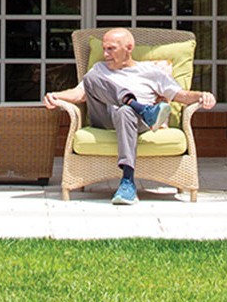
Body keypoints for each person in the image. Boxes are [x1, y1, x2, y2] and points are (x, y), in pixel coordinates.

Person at [43, 27, 216, 205]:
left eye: (111, 49)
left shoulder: (151, 72)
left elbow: (181, 95)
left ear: (129, 47)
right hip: (105, 118)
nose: (105, 53)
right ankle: (142, 108)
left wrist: (202, 95)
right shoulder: (99, 69)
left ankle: (127, 182)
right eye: (104, 48)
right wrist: (57, 96)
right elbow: (79, 94)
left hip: (134, 122)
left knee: (124, 111)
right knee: (90, 79)